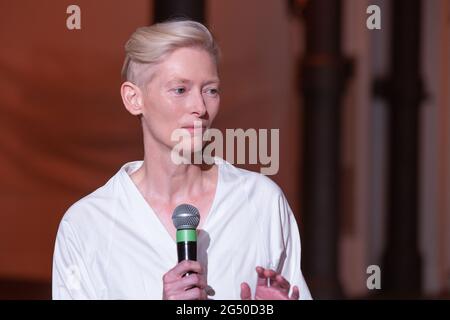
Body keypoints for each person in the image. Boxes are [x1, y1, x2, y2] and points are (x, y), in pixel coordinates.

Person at [52, 19, 312, 300]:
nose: (200, 107)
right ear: (133, 99)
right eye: (180, 90)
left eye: (210, 90)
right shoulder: (87, 225)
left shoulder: (261, 202)